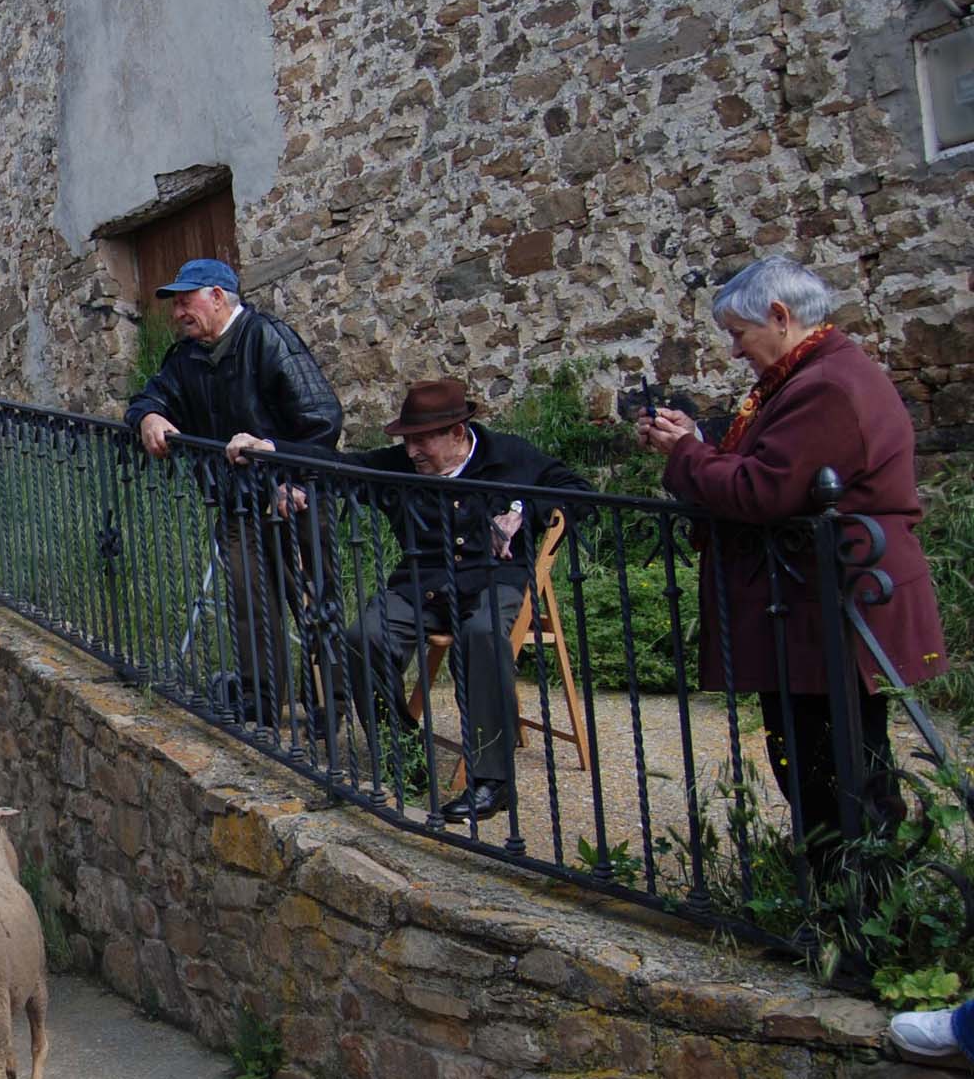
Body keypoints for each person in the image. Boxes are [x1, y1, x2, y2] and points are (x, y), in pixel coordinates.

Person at [636, 255, 946, 888]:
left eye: (739, 333)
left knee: (833, 763)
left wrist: (686, 455)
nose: (733, 349)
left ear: (779, 317)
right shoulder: (810, 374)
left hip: (828, 602)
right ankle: (851, 890)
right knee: (822, 755)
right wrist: (699, 441)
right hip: (812, 600)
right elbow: (776, 466)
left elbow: (765, 490)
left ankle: (858, 900)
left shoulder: (826, 384)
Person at [230, 378, 591, 822]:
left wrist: (521, 510)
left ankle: (491, 782)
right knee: (364, 636)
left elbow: (578, 492)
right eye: (408, 440)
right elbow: (339, 466)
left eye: (422, 440)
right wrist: (272, 452)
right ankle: (401, 753)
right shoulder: (400, 464)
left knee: (481, 635)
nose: (413, 450)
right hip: (425, 584)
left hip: (496, 581)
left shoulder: (509, 456)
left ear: (457, 433)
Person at [125, 258, 344, 727]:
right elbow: (150, 397)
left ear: (218, 297)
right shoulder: (186, 357)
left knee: (312, 600)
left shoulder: (268, 338)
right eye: (176, 304)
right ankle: (261, 703)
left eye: (186, 300)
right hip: (237, 501)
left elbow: (323, 419)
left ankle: (328, 706)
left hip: (293, 494)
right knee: (249, 603)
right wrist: (149, 417)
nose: (178, 312)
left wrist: (286, 468)